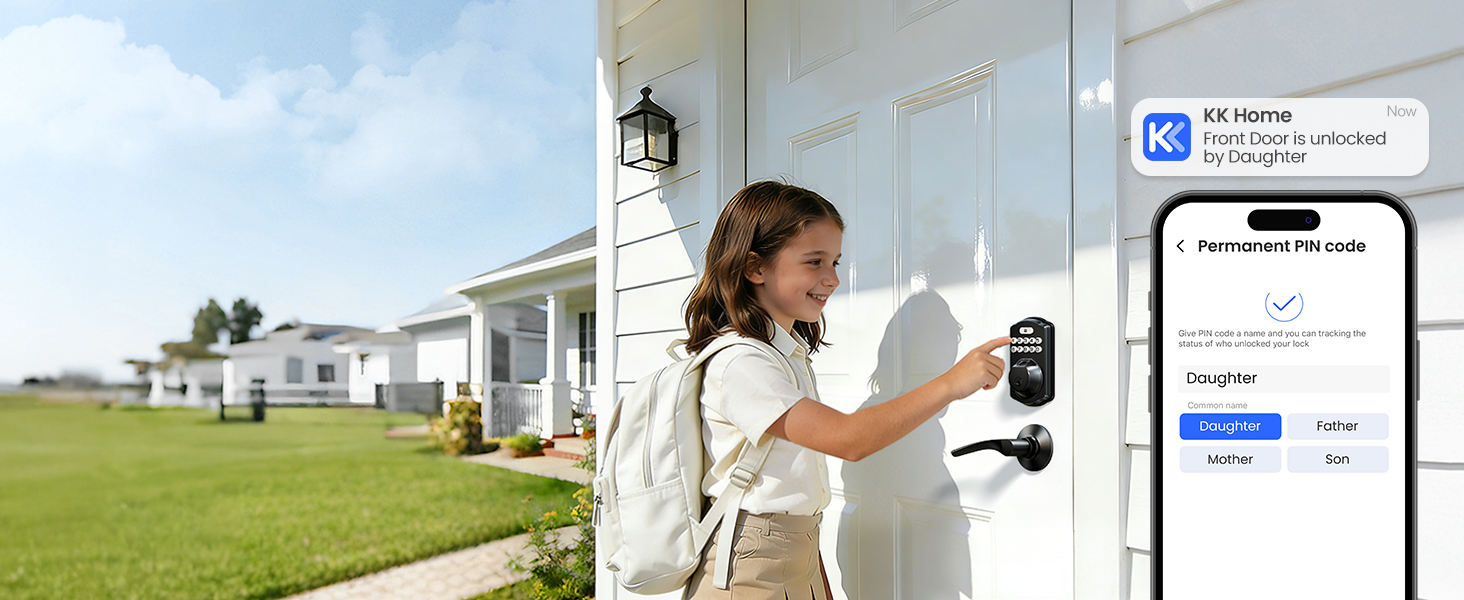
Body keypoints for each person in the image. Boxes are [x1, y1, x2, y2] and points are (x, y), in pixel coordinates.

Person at [680, 181, 1011, 599]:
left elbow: (795, 494)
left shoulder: (785, 356)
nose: (832, 279)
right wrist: (950, 383)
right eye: (814, 261)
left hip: (793, 552)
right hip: (750, 568)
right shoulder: (742, 363)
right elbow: (848, 440)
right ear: (754, 267)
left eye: (835, 261)